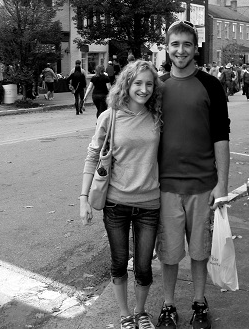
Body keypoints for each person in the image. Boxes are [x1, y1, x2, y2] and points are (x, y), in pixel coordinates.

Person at [156, 20, 230, 329]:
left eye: (187, 44)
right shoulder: (157, 86)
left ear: (195, 47)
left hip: (203, 185)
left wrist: (222, 185)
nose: (181, 50)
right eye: (175, 44)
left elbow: (221, 137)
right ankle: (168, 305)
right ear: (167, 47)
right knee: (169, 253)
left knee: (200, 251)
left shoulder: (211, 85)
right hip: (166, 186)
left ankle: (199, 303)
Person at [80, 60, 162, 329]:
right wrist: (83, 198)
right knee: (118, 262)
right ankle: (125, 314)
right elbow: (93, 156)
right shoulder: (110, 116)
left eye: (149, 84)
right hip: (116, 203)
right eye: (138, 83)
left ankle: (141, 312)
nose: (144, 89)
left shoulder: (157, 116)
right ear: (126, 84)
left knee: (144, 267)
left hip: (149, 203)